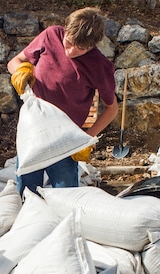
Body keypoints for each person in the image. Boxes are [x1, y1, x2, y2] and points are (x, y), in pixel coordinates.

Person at [7, 7, 119, 196]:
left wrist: (86, 139)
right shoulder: (51, 36)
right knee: (26, 193)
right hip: (33, 131)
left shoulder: (99, 66)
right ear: (65, 29)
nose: (71, 51)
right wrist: (20, 71)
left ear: (93, 45)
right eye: (69, 42)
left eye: (81, 48)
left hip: (65, 139)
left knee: (66, 196)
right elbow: (14, 61)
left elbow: (112, 108)